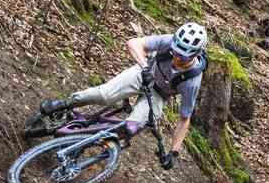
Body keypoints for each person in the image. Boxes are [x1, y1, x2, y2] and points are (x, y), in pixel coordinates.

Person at [39, 22, 208, 170]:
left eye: (183, 56)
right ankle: (64, 103)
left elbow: (184, 118)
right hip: (143, 73)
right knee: (104, 95)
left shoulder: (191, 81)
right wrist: (144, 67)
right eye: (175, 51)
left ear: (194, 55)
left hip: (158, 94)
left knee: (130, 128)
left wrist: (174, 152)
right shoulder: (168, 41)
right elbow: (134, 43)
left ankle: (82, 144)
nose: (176, 57)